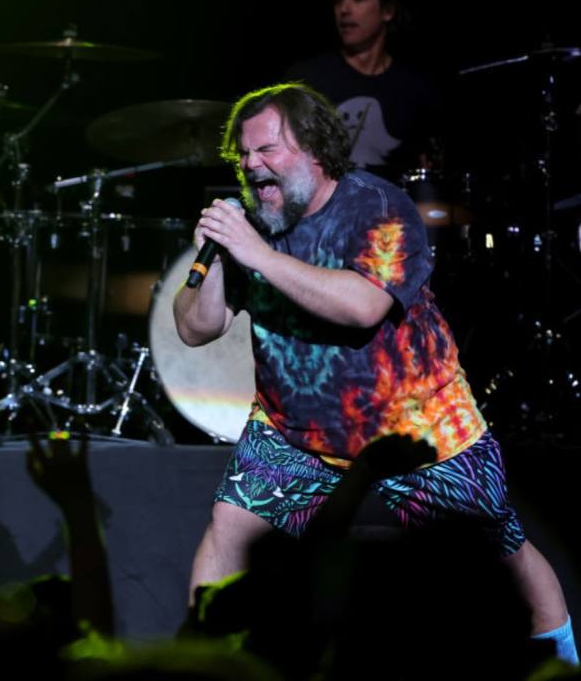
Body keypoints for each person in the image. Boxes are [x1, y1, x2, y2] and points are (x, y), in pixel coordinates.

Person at [173, 83, 577, 663]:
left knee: (501, 555)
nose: (251, 166)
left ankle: (561, 663)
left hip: (418, 426)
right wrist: (210, 259)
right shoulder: (253, 225)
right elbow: (195, 329)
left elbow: (364, 305)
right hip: (297, 434)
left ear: (314, 150)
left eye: (267, 151)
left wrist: (257, 256)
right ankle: (205, 664)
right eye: (243, 154)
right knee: (229, 530)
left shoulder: (378, 208)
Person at [285, 0, 441, 181]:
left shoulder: (415, 88)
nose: (344, 9)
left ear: (387, 10)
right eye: (339, 0)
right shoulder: (307, 79)